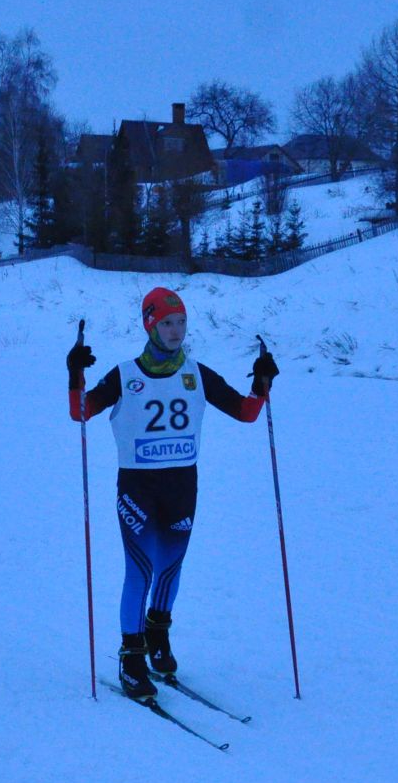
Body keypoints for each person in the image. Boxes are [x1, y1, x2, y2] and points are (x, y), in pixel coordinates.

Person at [67, 288, 278, 700]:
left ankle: (157, 634)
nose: (175, 331)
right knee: (141, 569)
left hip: (182, 484)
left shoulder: (197, 373)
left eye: (181, 322)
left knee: (170, 568)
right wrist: (74, 373)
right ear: (150, 325)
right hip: (138, 486)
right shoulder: (126, 374)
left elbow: (246, 412)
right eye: (166, 323)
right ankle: (131, 657)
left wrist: (262, 381)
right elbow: (81, 411)